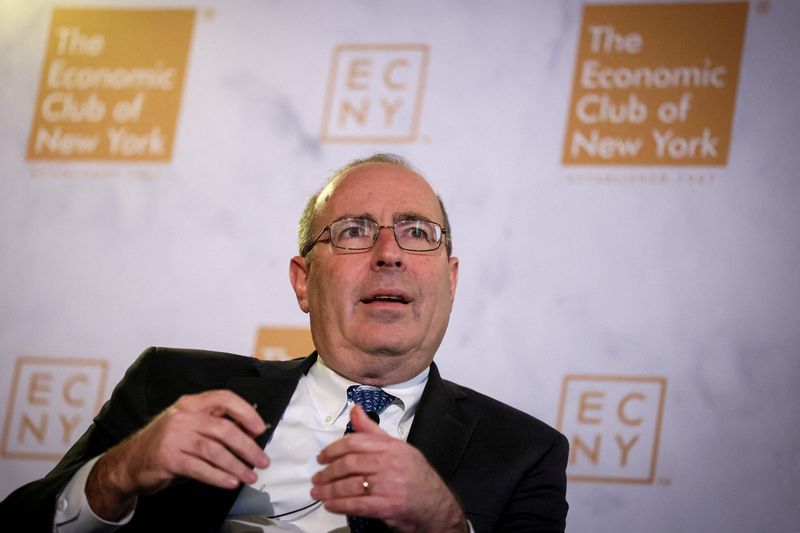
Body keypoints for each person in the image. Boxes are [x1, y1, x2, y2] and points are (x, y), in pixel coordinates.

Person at [0, 154, 568, 532]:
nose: (389, 253)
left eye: (418, 233)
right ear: (303, 280)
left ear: (450, 280)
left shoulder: (522, 452)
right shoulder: (171, 386)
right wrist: (116, 475)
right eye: (354, 232)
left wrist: (444, 524)